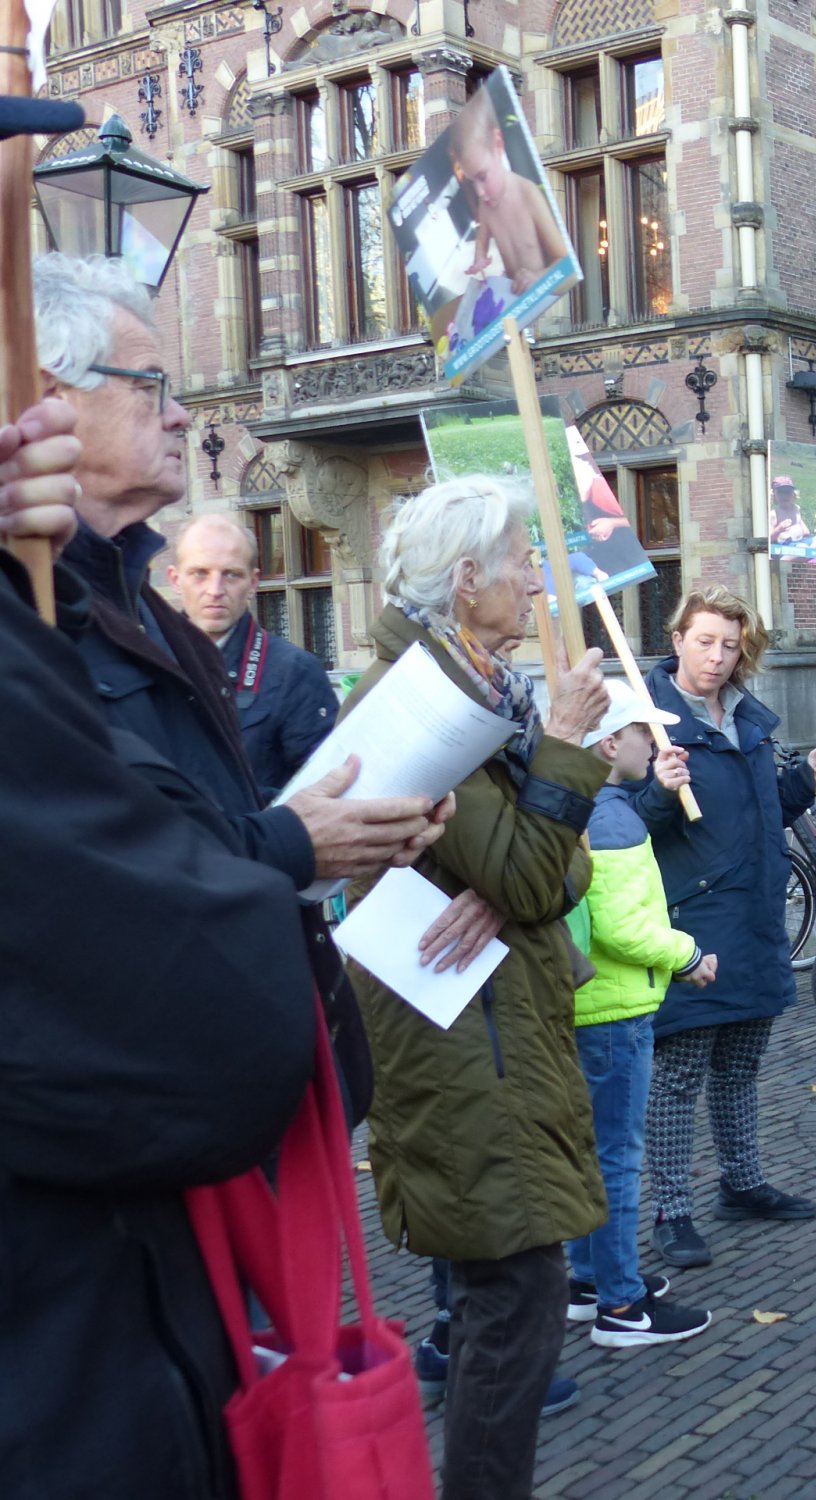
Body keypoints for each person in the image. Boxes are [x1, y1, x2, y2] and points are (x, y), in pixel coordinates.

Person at [35, 251, 446, 1122]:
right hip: (134, 1110)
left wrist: (365, 826)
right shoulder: (32, 614)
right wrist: (298, 846)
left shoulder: (151, 615)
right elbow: (100, 883)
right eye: (151, 387)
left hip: (227, 1083)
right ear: (52, 398)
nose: (182, 415)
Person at [0, 399, 320, 1499]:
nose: (181, 407)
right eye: (143, 385)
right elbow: (180, 987)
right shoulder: (72, 611)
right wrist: (282, 856)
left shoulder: (110, 604)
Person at [343, 475, 612, 1500]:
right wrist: (568, 750)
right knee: (518, 1302)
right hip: (466, 1048)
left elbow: (553, 875)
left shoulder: (477, 696)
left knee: (515, 1297)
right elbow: (544, 869)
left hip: (497, 1032)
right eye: (518, 566)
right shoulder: (420, 705)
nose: (536, 583)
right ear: (465, 583)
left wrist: (510, 892)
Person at [634, 588, 816, 1269]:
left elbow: (764, 812)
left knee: (741, 1067)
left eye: (729, 644)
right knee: (680, 1073)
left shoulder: (749, 719)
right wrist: (658, 792)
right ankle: (671, 1209)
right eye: (705, 641)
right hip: (693, 921)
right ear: (677, 640)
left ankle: (742, 1184)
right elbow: (622, 826)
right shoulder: (647, 724)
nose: (717, 657)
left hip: (755, 918)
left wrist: (804, 781)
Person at [567, 681, 717, 1348]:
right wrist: (688, 954)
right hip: (615, 1006)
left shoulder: (579, 805)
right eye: (643, 734)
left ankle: (588, 1277)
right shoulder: (616, 818)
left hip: (581, 1006)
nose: (655, 746)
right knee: (618, 1158)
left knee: (587, 1151)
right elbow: (624, 928)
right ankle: (622, 1305)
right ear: (609, 742)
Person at [164, 513, 340, 798]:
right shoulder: (146, 659)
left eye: (231, 574)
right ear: (174, 579)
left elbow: (327, 791)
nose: (215, 590)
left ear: (253, 582)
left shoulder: (295, 671)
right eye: (200, 573)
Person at [451, 86, 568, 295]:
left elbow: (565, 261)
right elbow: (481, 240)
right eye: (471, 182)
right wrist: (479, 259)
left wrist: (538, 278)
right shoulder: (485, 205)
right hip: (512, 297)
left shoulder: (527, 193)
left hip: (537, 296)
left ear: (498, 144)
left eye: (482, 177)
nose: (479, 192)